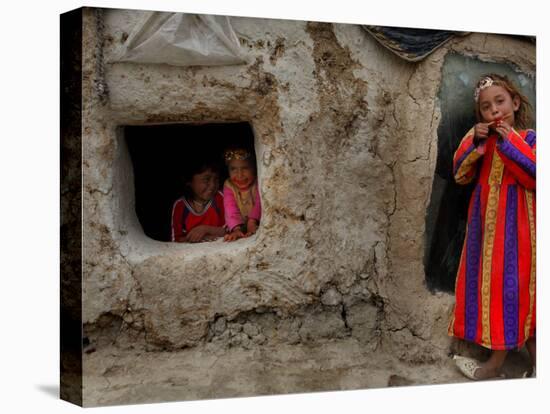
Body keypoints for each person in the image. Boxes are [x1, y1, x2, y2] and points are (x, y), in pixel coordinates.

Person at [449, 74, 536, 380]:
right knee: (505, 294)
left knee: (513, 292)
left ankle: (494, 367)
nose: (495, 111)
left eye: (500, 102)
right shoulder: (483, 144)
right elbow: (459, 174)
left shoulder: (530, 139)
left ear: (515, 102)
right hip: (486, 234)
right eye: (486, 107)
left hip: (521, 234)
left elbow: (536, 174)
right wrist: (475, 140)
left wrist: (508, 138)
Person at [171, 160, 226, 243]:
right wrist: (205, 237)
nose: (213, 185)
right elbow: (176, 240)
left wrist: (205, 229)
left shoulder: (220, 198)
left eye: (216, 179)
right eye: (206, 180)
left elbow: (230, 230)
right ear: (189, 181)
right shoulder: (180, 206)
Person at [222, 148, 262, 242]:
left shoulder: (259, 181)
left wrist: (252, 221)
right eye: (233, 169)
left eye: (245, 168)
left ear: (255, 168)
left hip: (256, 222)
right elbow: (230, 208)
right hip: (237, 225)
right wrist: (236, 229)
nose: (239, 175)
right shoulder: (229, 185)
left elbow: (259, 203)